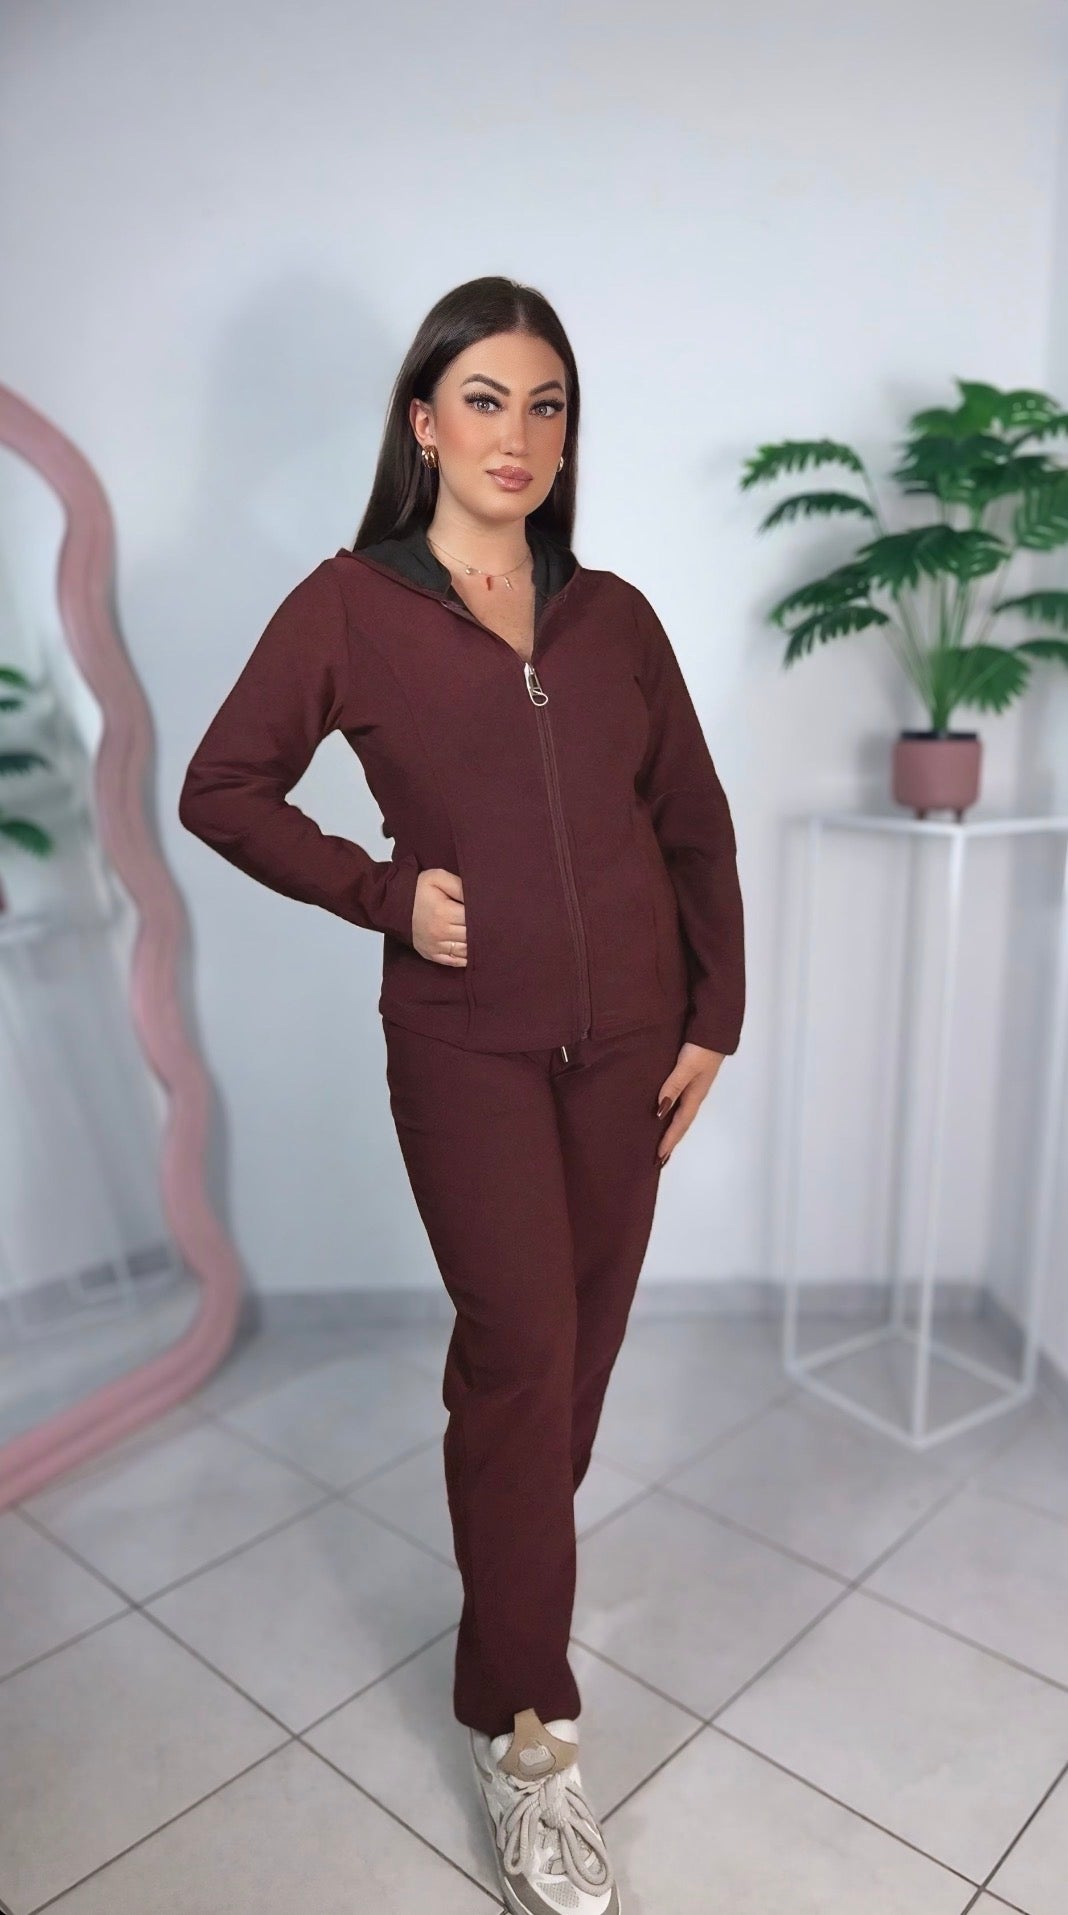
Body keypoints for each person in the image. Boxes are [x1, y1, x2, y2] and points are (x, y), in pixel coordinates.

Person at [178, 274, 745, 1915]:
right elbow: (223, 786)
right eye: (485, 399)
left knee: (574, 1363)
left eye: (546, 404)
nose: (519, 433)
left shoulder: (613, 616)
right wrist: (381, 893)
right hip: (466, 1049)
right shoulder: (349, 605)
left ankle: (510, 1591)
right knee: (521, 1355)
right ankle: (527, 1731)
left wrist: (717, 1014)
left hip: (634, 1045)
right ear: (422, 423)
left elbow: (693, 821)